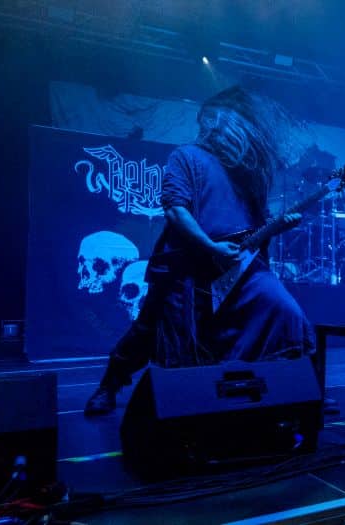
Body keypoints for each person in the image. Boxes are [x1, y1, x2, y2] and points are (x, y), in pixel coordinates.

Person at [84, 86, 315, 416]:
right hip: (186, 266)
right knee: (150, 329)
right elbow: (176, 210)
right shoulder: (186, 156)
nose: (205, 127)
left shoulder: (249, 176)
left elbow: (257, 226)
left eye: (211, 120)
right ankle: (110, 383)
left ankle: (301, 390)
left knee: (287, 313)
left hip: (239, 267)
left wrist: (278, 227)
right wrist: (210, 246)